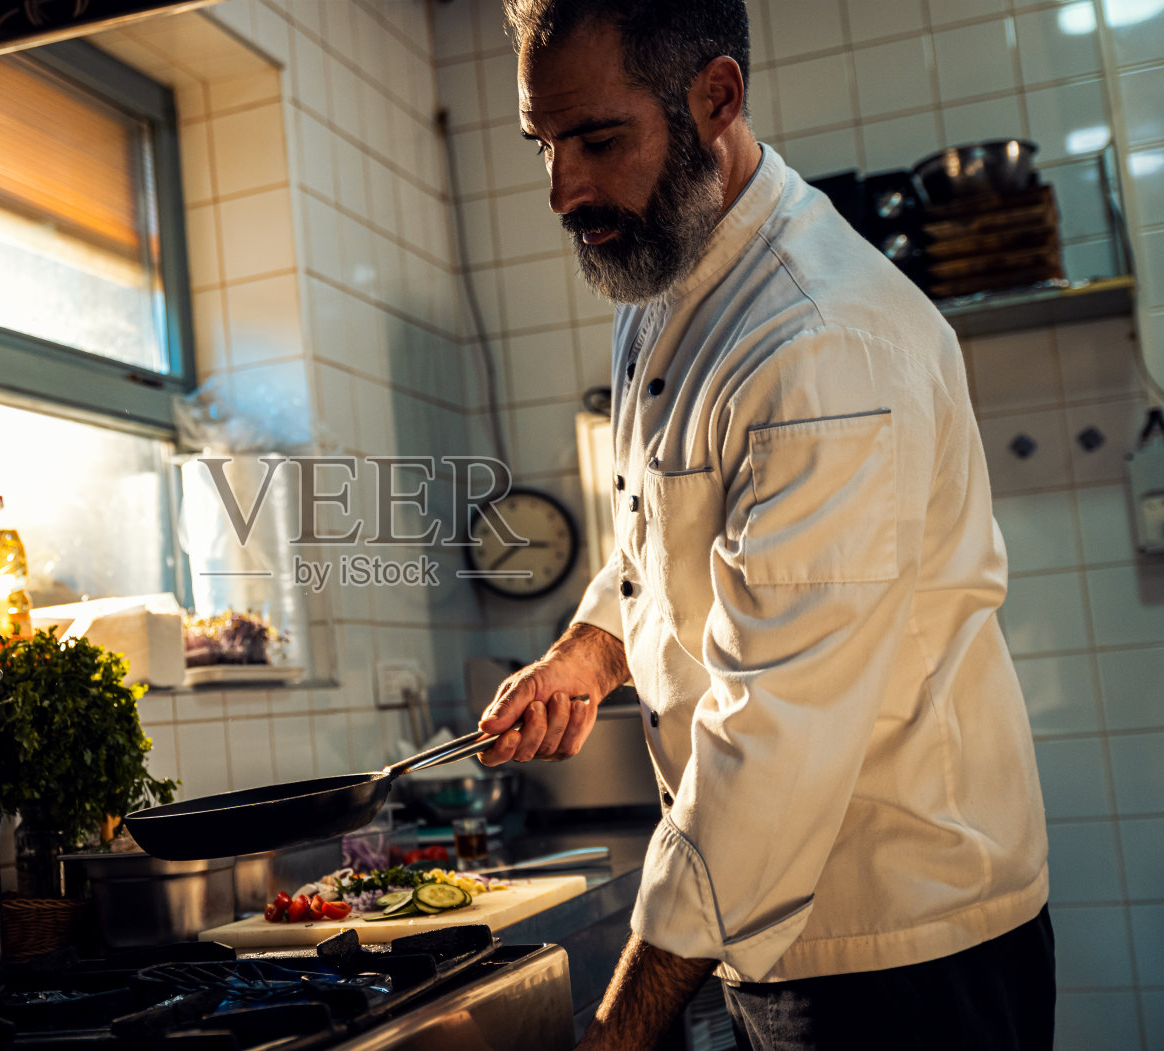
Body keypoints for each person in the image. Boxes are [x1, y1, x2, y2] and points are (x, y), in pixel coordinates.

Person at [474, 2, 1055, 1048]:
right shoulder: (667, 283)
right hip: (774, 928)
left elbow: (772, 740)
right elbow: (667, 532)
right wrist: (587, 650)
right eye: (544, 144)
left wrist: (617, 1031)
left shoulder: (819, 344)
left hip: (897, 951)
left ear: (717, 98)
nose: (563, 190)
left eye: (598, 140)